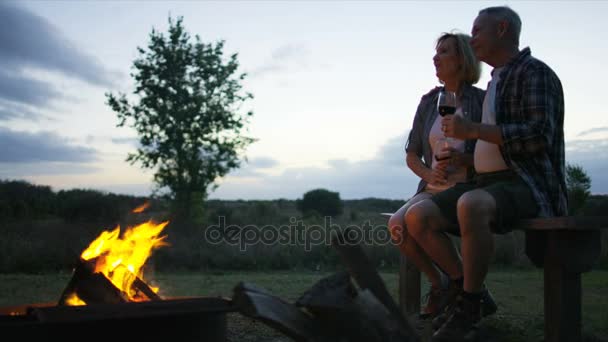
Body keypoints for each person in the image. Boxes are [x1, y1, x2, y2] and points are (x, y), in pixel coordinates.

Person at [404, 6, 567, 341]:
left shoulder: (534, 73)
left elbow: (539, 137)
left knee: (471, 204)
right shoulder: (497, 80)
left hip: (525, 183)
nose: (472, 38)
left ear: (503, 29)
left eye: (477, 31)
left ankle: (469, 303)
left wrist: (473, 130)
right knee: (416, 216)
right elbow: (420, 149)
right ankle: (460, 290)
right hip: (486, 183)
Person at [387, 32, 491, 319]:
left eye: (444, 51)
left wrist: (464, 159)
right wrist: (429, 172)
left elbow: (492, 153)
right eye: (436, 52)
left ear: (461, 60)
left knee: (413, 219)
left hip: (467, 187)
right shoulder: (429, 101)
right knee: (396, 226)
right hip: (432, 186)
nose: (436, 57)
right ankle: (443, 284)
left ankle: (466, 290)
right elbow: (411, 154)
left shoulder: (482, 101)